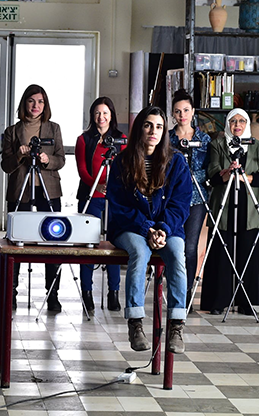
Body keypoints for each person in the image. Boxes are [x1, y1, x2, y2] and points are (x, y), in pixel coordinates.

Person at [106, 106, 191, 354]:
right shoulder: (123, 161)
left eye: (159, 126)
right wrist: (146, 229)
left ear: (164, 131)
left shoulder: (176, 163)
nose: (153, 131)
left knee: (177, 253)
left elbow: (180, 205)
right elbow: (119, 206)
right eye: (148, 125)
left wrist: (162, 229)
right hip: (129, 227)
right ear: (139, 128)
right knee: (140, 253)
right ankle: (135, 322)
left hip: (167, 228)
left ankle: (177, 324)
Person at [1, 84, 66, 311]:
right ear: (24, 103)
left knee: (53, 241)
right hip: (21, 190)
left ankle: (53, 294)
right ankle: (11, 292)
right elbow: (5, 166)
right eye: (31, 101)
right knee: (17, 241)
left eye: (40, 102)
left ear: (45, 105)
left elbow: (61, 160)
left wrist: (47, 160)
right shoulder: (12, 131)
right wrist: (19, 156)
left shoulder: (54, 128)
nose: (36, 106)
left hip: (48, 189)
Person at [200, 108, 259, 316]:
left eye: (241, 121)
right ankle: (219, 300)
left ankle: (247, 300)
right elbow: (211, 174)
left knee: (248, 251)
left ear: (247, 124)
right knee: (222, 253)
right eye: (233, 121)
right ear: (227, 124)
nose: (237, 125)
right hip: (224, 204)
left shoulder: (257, 146)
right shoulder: (217, 144)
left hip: (250, 206)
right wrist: (227, 173)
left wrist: (243, 177)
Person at [75, 97, 127, 312]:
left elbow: (126, 168)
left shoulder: (121, 139)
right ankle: (87, 292)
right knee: (88, 246)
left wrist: (112, 187)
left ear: (111, 115)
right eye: (97, 113)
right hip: (91, 196)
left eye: (105, 113)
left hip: (114, 198)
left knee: (113, 246)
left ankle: (113, 292)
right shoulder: (84, 139)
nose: (101, 117)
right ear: (92, 116)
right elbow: (82, 170)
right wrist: (97, 186)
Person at [167, 89, 210, 309]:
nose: (182, 114)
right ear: (173, 114)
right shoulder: (167, 138)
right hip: (171, 199)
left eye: (186, 110)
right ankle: (173, 286)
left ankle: (187, 291)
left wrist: (190, 174)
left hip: (197, 197)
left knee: (190, 247)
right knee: (172, 244)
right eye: (177, 111)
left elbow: (209, 169)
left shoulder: (204, 139)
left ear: (193, 112)